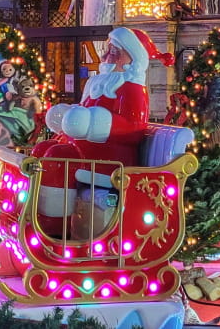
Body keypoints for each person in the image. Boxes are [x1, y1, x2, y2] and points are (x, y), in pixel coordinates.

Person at [31, 26, 174, 234]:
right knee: (42, 149)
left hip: (111, 161)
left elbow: (133, 127)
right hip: (87, 153)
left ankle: (55, 228)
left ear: (132, 60)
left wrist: (91, 122)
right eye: (106, 51)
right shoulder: (97, 83)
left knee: (56, 158)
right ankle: (36, 214)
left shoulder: (132, 89)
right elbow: (82, 115)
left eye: (114, 53)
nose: (106, 57)